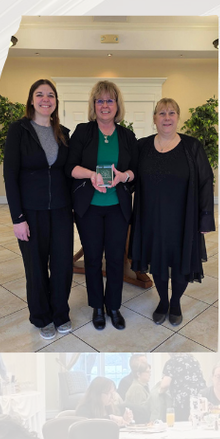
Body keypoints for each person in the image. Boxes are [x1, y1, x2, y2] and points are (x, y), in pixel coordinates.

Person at [131, 98, 215, 325]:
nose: (166, 118)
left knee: (180, 261)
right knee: (157, 261)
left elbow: (206, 180)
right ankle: (163, 301)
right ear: (154, 119)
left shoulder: (192, 146)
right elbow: (131, 177)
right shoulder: (143, 146)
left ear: (178, 117)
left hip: (183, 217)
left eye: (171, 113)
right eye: (161, 113)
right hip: (151, 217)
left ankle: (175, 301)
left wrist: (205, 217)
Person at [3, 78, 74, 340]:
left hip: (62, 210)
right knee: (35, 266)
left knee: (63, 265)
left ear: (56, 102)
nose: (46, 99)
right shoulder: (18, 130)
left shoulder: (63, 133)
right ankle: (42, 316)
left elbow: (68, 173)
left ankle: (60, 313)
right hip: (30, 212)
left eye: (51, 95)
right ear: (31, 99)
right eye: (40, 94)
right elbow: (10, 175)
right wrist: (17, 218)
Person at [68, 80, 138, 331]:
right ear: (93, 105)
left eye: (110, 100)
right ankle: (98, 307)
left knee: (117, 259)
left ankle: (114, 306)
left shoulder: (127, 136)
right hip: (90, 208)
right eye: (100, 100)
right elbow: (70, 167)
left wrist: (123, 176)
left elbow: (136, 171)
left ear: (117, 105)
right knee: (93, 259)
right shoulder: (83, 132)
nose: (105, 105)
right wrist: (91, 175)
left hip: (118, 207)